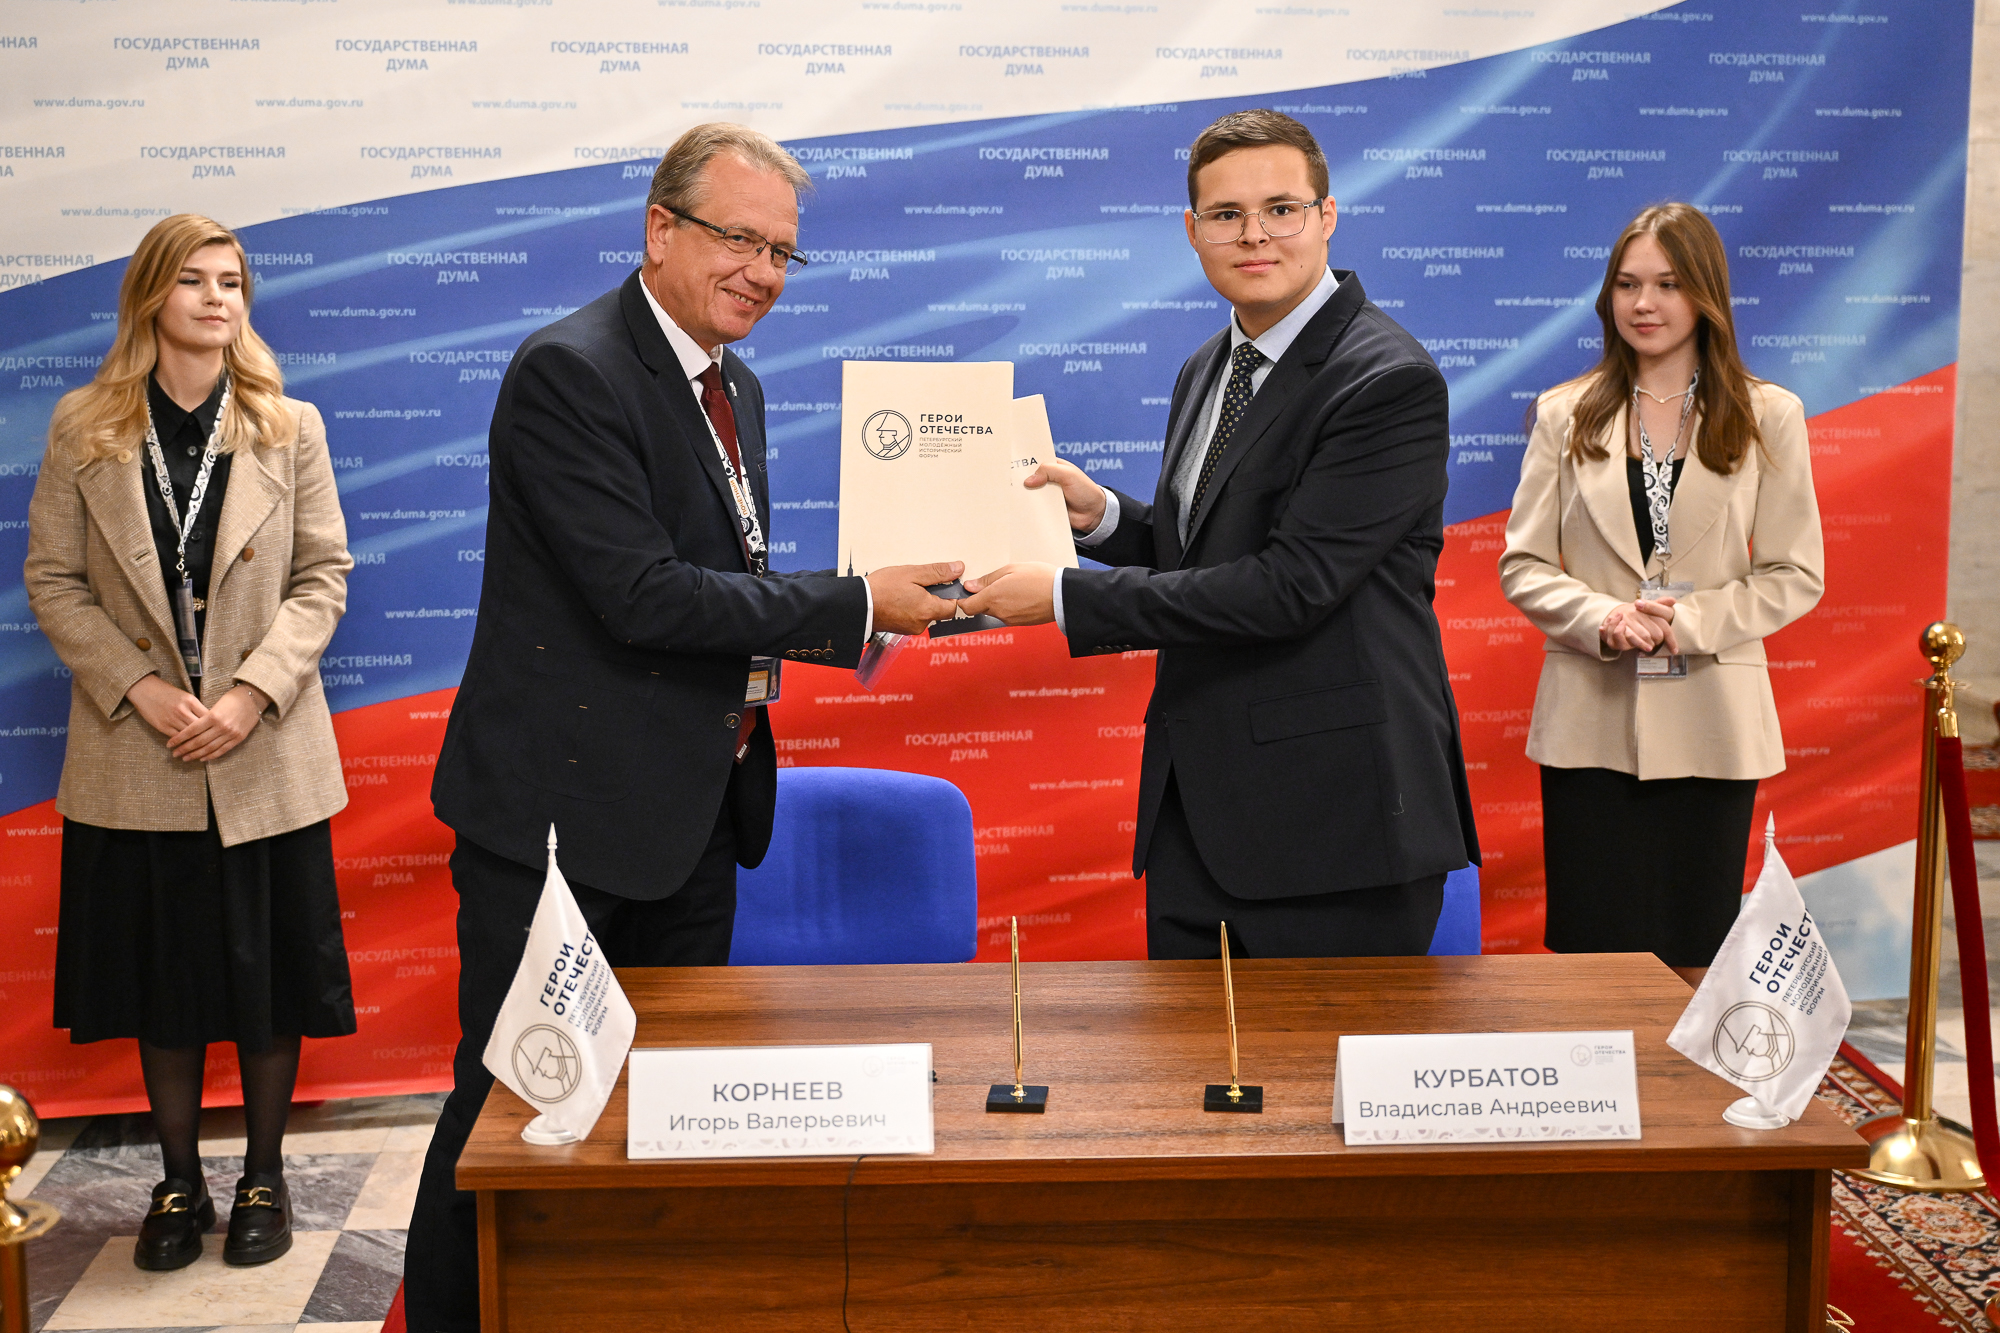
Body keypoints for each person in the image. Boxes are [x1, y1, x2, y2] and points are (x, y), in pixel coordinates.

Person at [409, 123, 960, 1332]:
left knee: (653, 1111)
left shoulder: (730, 384)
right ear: (659, 229)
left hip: (693, 814)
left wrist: (865, 617)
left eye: (781, 252)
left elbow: (726, 586)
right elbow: (641, 595)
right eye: (737, 239)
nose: (761, 272)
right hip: (563, 825)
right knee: (515, 1110)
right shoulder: (571, 372)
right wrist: (857, 602)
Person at [961, 109, 1479, 960]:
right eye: (1226, 214)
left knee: (1322, 1055)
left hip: (1334, 827)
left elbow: (1288, 587)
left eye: (1281, 209)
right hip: (1199, 818)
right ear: (1192, 230)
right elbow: (1212, 553)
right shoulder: (1209, 365)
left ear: (1328, 215)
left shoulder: (1387, 379)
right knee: (1190, 1051)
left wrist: (1061, 596)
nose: (1254, 235)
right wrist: (1104, 518)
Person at [25, 214, 355, 1270]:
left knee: (267, 976)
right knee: (162, 976)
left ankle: (263, 1175)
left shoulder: (288, 424)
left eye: (233, 283)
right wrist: (139, 688)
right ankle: (178, 1181)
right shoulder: (85, 425)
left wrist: (252, 693)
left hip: (261, 748)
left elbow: (323, 575)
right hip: (141, 750)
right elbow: (52, 579)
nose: (219, 299)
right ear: (150, 297)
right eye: (195, 281)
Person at [1497, 202, 1824, 986]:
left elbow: (1794, 573)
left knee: (1695, 951)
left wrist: (1689, 621)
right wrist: (1603, 617)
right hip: (1589, 721)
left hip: (1713, 722)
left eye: (1668, 284)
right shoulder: (1564, 414)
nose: (1643, 303)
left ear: (1705, 294)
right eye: (1627, 284)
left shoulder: (1769, 414)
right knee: (1592, 953)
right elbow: (1524, 565)